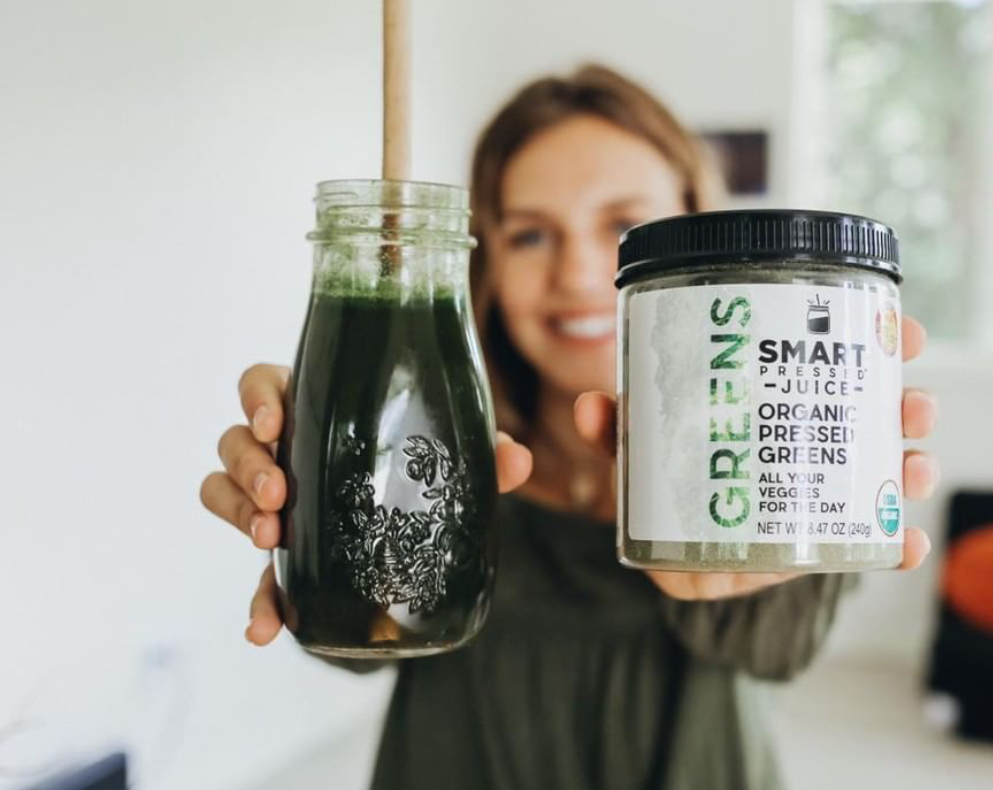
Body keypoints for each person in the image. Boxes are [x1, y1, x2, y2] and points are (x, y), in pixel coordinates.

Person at [199, 64, 940, 790]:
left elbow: (778, 651)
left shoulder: (789, 452)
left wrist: (723, 545)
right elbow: (361, 644)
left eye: (623, 225)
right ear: (485, 256)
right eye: (530, 235)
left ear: (698, 226)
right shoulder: (455, 451)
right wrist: (319, 486)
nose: (581, 273)